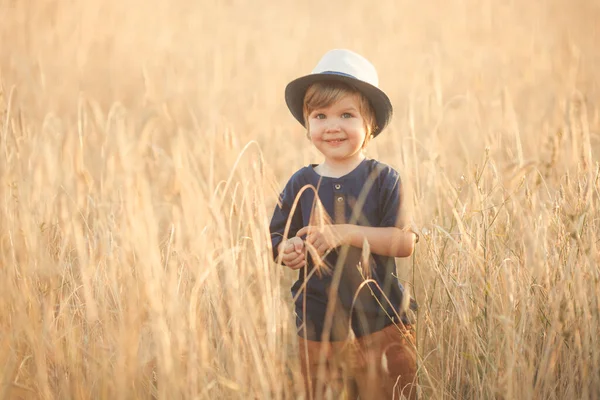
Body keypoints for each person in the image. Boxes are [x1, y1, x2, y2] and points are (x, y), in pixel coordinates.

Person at [269, 49, 419, 400]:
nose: (332, 125)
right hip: (317, 328)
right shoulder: (300, 183)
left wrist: (344, 233)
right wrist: (286, 250)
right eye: (320, 115)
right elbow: (277, 237)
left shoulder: (384, 179)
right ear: (308, 126)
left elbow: (404, 242)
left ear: (370, 126)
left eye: (347, 114)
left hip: (381, 323)